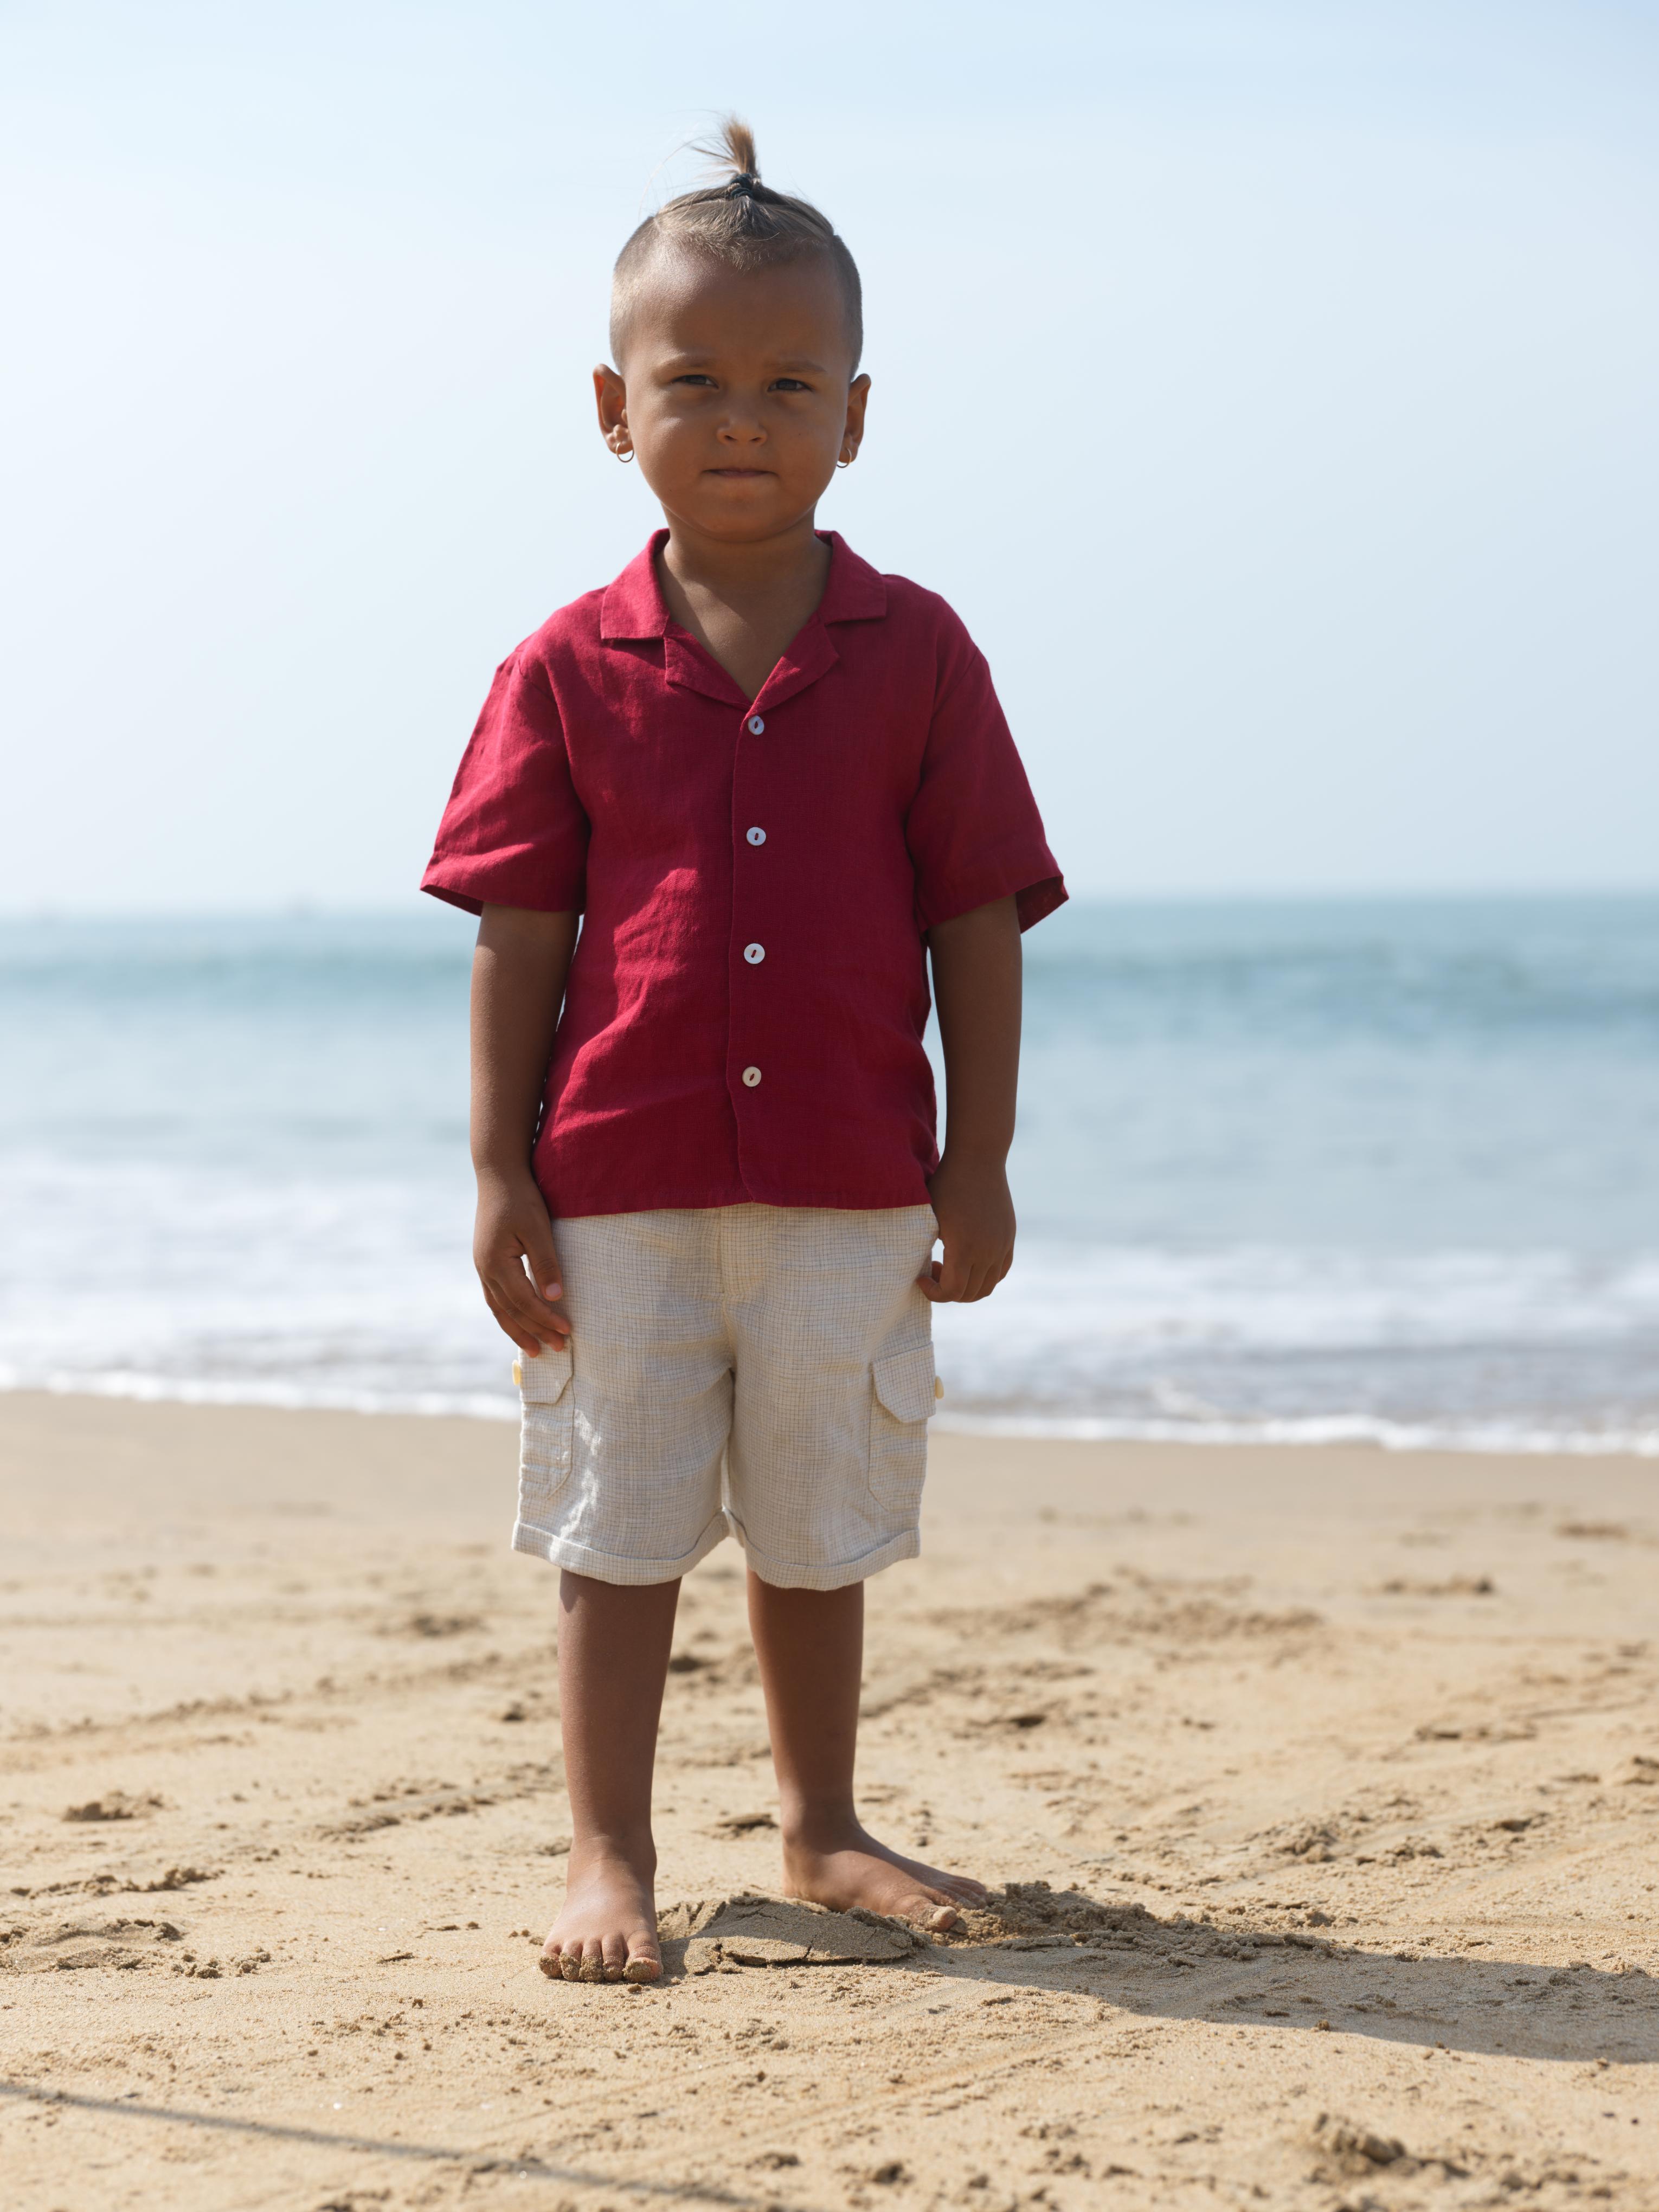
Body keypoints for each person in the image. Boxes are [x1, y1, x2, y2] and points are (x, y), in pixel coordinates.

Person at [422, 120, 1065, 1986]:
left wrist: (980, 1160)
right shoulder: (565, 664)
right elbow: (516, 934)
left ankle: (820, 1824)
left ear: (854, 416)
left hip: (856, 1180)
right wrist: (494, 1176)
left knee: (814, 1522)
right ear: (609, 408)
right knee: (616, 1533)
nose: (736, 418)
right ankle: (607, 1855)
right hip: (613, 1183)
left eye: (785, 383)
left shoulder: (920, 651)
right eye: (689, 379)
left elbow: (976, 922)